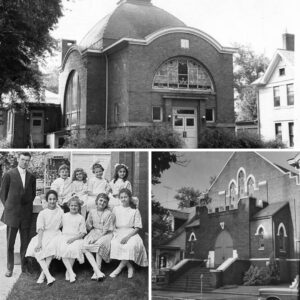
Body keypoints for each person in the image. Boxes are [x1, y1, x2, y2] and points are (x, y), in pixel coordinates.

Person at [0, 152, 36, 277]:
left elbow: (33, 195)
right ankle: (9, 268)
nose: (25, 162)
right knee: (10, 243)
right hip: (12, 214)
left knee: (25, 243)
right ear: (18, 159)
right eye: (23, 159)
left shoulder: (31, 177)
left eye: (27, 160)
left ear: (29, 161)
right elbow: (3, 195)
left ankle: (24, 267)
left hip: (26, 214)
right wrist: (10, 208)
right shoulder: (9, 174)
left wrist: (25, 208)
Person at [25, 190, 63, 285]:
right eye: (50, 199)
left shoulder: (60, 212)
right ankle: (48, 276)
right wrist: (39, 242)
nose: (52, 201)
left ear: (57, 200)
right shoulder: (43, 213)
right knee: (37, 249)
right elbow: (40, 229)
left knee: (51, 248)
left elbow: (62, 224)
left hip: (56, 234)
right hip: (44, 234)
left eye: (54, 199)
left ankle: (43, 275)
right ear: (47, 200)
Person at [109, 188, 148, 279]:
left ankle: (118, 269)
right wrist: (114, 233)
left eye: (125, 197)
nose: (123, 199)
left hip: (131, 233)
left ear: (129, 198)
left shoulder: (134, 210)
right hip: (118, 231)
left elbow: (137, 227)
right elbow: (112, 223)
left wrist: (127, 237)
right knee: (114, 243)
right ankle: (130, 267)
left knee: (130, 245)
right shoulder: (116, 209)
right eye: (121, 197)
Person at [83, 193, 114, 280]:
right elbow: (88, 225)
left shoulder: (108, 213)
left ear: (107, 204)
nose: (102, 203)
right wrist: (88, 232)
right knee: (84, 245)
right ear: (96, 201)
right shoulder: (92, 211)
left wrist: (95, 239)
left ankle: (97, 269)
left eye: (105, 202)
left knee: (98, 244)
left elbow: (106, 229)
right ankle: (97, 271)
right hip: (95, 231)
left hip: (106, 233)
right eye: (100, 200)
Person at [55, 196, 86, 283]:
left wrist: (73, 239)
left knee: (73, 249)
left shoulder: (80, 218)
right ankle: (71, 273)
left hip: (76, 238)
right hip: (64, 237)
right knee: (62, 248)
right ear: (69, 206)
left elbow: (83, 233)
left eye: (75, 206)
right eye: (72, 205)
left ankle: (68, 272)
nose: (73, 207)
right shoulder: (64, 216)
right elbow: (57, 225)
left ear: (78, 207)